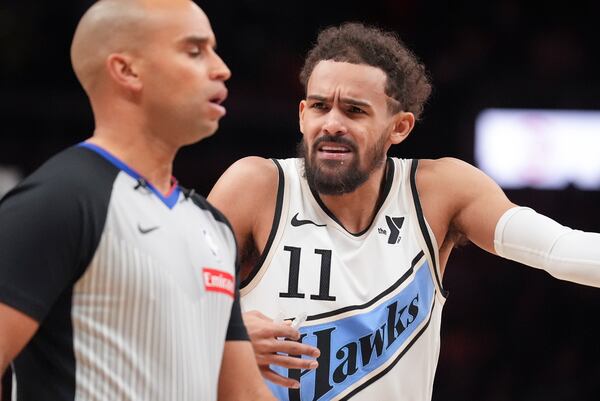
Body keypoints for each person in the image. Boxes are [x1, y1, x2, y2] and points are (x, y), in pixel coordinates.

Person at [207, 22, 600, 400]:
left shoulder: (439, 190)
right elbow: (162, 301)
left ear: (400, 127)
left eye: (354, 111)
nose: (331, 124)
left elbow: (558, 250)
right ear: (301, 114)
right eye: (320, 106)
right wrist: (225, 333)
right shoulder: (256, 186)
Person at [0, 1, 275, 400]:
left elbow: (243, 394)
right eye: (194, 51)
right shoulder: (57, 201)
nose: (221, 68)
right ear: (126, 70)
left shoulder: (212, 225)